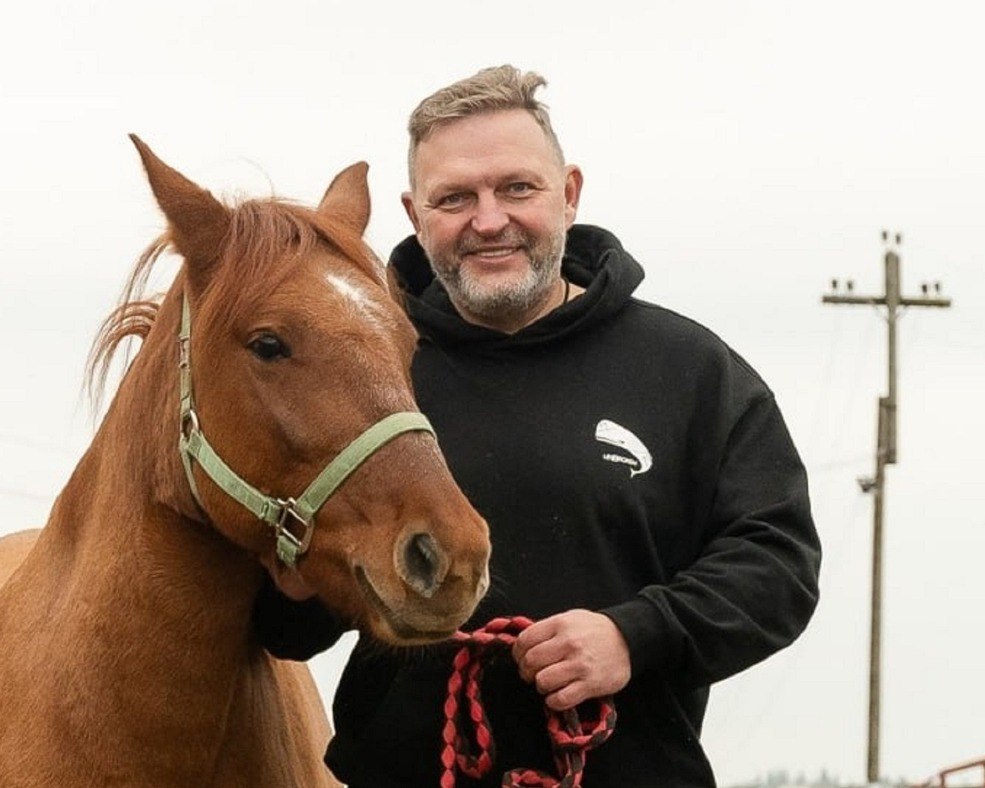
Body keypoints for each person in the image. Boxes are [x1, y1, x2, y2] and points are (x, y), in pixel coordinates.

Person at [254, 65, 821, 787]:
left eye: (517, 188)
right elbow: (290, 624)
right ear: (413, 213)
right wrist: (291, 584)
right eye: (454, 197)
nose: (488, 221)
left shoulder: (687, 370)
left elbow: (779, 565)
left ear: (570, 193)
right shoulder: (370, 376)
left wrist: (635, 634)